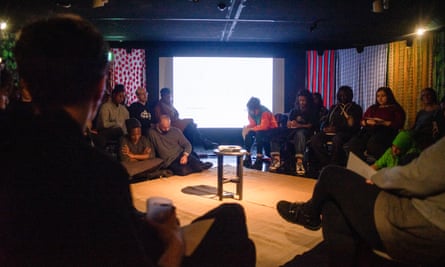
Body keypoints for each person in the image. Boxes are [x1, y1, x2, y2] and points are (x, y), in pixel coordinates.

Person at [0, 14, 256, 266]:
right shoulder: (100, 173)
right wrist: (173, 242)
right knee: (232, 219)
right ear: (100, 88)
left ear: (26, 85)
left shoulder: (12, 150)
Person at [276, 136, 445, 267]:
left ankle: (309, 213)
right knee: (333, 202)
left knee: (330, 176)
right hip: (429, 222)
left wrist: (378, 177)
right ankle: (310, 214)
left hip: (418, 225)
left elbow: (417, 178)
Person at [344, 86, 405, 163]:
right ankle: (362, 165)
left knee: (372, 144)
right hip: (369, 130)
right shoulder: (373, 108)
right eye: (378, 96)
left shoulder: (395, 109)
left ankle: (385, 163)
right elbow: (362, 120)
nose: (380, 98)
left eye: (383, 96)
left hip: (385, 132)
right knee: (352, 145)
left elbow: (399, 124)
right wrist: (366, 122)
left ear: (388, 96)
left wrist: (382, 122)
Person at [310, 86, 362, 169]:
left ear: (350, 96)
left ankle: (334, 164)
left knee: (337, 140)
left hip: (346, 133)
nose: (342, 97)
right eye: (340, 95)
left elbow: (354, 126)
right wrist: (325, 127)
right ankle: (326, 162)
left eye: (345, 95)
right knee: (314, 139)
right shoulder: (334, 107)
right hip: (330, 131)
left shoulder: (356, 108)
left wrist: (337, 129)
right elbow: (326, 120)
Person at [269, 89, 317, 176]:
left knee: (300, 133)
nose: (302, 102)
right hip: (292, 130)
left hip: (306, 132)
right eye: (300, 100)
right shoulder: (294, 110)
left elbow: (311, 125)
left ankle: (299, 162)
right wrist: (290, 123)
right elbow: (289, 122)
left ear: (307, 100)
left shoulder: (312, 111)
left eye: (304, 100)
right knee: (276, 132)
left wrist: (300, 125)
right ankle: (276, 159)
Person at [153, 87, 217, 149]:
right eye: (167, 96)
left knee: (191, 128)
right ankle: (204, 143)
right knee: (190, 126)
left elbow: (177, 114)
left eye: (169, 96)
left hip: (177, 123)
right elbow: (166, 119)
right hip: (170, 125)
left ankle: (199, 145)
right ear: (163, 96)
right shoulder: (159, 106)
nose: (169, 98)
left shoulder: (169, 104)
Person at [149, 114, 213, 176]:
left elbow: (187, 144)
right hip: (170, 161)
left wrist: (185, 156)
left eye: (168, 127)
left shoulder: (176, 131)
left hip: (181, 154)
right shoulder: (152, 133)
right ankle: (197, 166)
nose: (166, 129)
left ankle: (199, 165)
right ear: (159, 124)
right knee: (183, 171)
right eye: (164, 128)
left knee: (197, 167)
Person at [242, 96, 278, 170]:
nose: (250, 111)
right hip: (260, 129)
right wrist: (247, 128)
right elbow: (253, 123)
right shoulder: (251, 111)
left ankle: (259, 158)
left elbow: (264, 126)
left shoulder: (265, 112)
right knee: (249, 133)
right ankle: (248, 156)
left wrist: (251, 129)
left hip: (272, 130)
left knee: (259, 134)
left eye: (252, 109)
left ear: (256, 108)